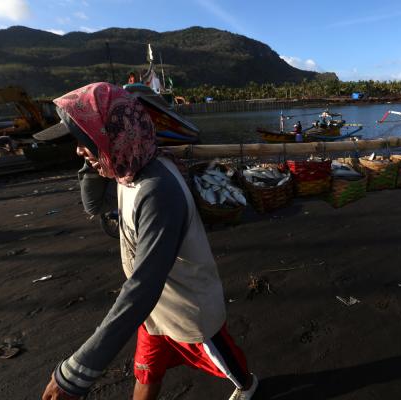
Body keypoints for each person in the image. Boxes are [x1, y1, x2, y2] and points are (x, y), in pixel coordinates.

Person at [37, 82, 258, 400]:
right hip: (152, 312)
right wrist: (92, 156)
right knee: (146, 371)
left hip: (185, 308)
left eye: (83, 140)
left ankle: (249, 386)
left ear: (115, 134)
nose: (77, 148)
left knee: (228, 364)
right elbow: (95, 205)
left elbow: (143, 286)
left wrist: (76, 373)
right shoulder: (129, 170)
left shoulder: (156, 189)